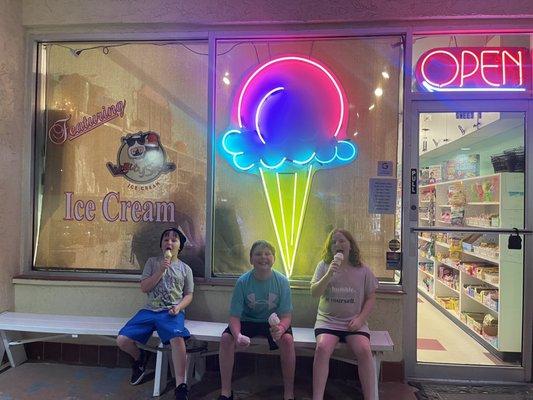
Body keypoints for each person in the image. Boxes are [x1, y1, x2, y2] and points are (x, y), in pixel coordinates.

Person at [117, 227, 194, 400]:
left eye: (174, 240)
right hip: (149, 310)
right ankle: (140, 358)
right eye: (166, 239)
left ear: (179, 246)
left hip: (171, 312)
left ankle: (181, 384)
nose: (169, 242)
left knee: (177, 338)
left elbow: (188, 295)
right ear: (161, 244)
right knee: (122, 340)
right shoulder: (152, 263)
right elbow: (144, 288)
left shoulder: (185, 269)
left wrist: (179, 307)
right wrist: (160, 270)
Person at [218, 240, 295, 400]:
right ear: (251, 259)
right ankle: (225, 392)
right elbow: (234, 316)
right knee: (226, 338)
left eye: (267, 254)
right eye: (258, 254)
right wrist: (238, 335)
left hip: (272, 323)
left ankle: (289, 393)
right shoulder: (243, 282)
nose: (263, 257)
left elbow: (286, 316)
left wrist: (280, 328)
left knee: (287, 340)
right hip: (248, 320)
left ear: (274, 258)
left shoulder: (282, 282)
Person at [310, 229, 378, 400]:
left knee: (364, 350)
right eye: (333, 242)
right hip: (327, 321)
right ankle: (317, 397)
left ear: (350, 245)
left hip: (353, 322)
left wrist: (360, 319)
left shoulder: (363, 269)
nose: (338, 245)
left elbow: (371, 298)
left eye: (342, 241)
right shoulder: (323, 266)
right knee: (322, 348)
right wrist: (329, 273)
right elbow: (314, 292)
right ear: (330, 248)